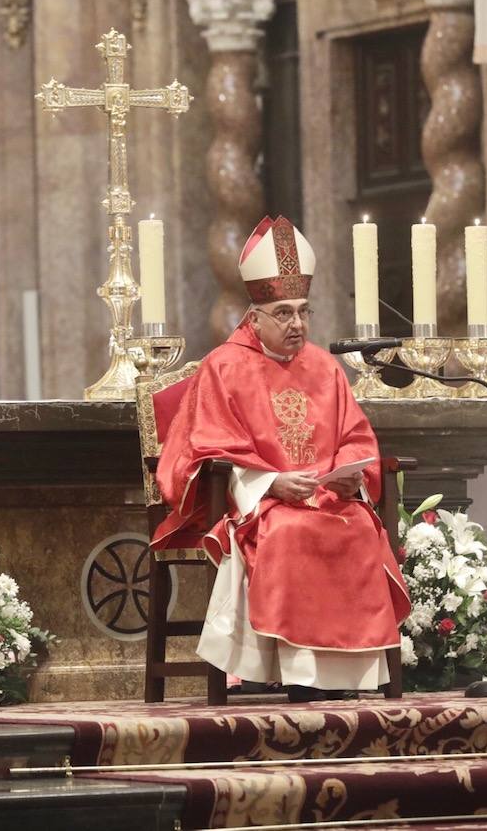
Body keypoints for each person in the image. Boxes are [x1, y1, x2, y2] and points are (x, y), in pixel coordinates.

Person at [152, 215, 411, 699]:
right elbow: (205, 451)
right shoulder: (224, 367)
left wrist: (349, 476)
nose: (297, 324)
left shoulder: (324, 367)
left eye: (304, 312)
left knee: (356, 527)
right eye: (284, 313)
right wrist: (269, 484)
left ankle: (343, 676)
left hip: (325, 500)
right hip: (261, 507)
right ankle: (301, 675)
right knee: (293, 531)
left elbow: (356, 436)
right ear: (255, 318)